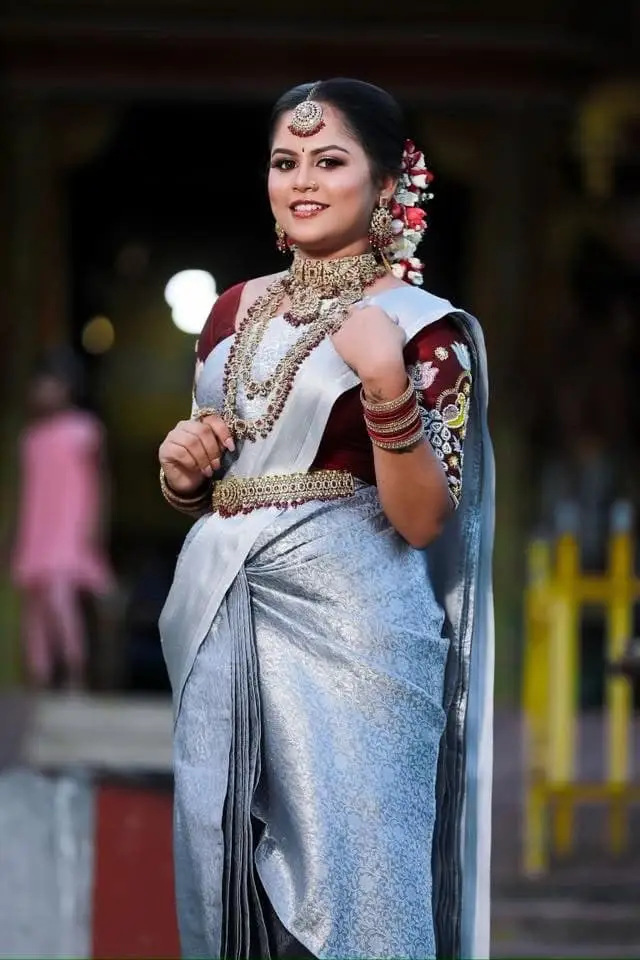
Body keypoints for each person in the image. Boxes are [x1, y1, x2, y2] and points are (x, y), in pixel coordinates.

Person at [158, 78, 494, 960]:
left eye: (329, 160)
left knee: (359, 901)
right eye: (285, 161)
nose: (302, 179)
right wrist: (186, 474)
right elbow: (231, 473)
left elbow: (423, 522)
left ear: (386, 186)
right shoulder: (231, 314)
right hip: (225, 622)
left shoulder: (423, 331)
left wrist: (386, 383)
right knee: (231, 890)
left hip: (361, 645)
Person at [10, 356, 114, 690]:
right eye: (38, 385)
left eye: (48, 383)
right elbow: (24, 492)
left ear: (66, 387)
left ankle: (74, 670)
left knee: (60, 597)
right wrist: (14, 536)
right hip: (37, 530)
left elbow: (101, 481)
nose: (41, 391)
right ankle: (39, 675)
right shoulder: (31, 438)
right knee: (34, 606)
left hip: (70, 528)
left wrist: (96, 524)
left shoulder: (85, 430)